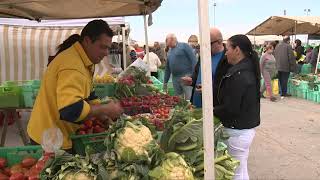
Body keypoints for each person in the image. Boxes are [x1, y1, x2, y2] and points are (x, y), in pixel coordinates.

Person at [27, 20, 124, 150]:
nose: (106, 53)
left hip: (56, 134)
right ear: (87, 41)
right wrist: (106, 109)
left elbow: (90, 96)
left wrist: (105, 119)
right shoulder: (72, 65)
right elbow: (71, 110)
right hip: (49, 139)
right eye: (102, 47)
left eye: (108, 47)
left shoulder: (85, 62)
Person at [214, 34, 260, 180]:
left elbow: (231, 108)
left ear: (237, 50)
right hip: (244, 130)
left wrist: (210, 111)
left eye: (227, 49)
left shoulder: (240, 74)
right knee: (240, 169)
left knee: (236, 173)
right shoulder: (245, 69)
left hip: (238, 131)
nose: (225, 52)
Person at [181, 28, 231, 108]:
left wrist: (209, 89)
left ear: (219, 42)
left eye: (208, 43)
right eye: (203, 43)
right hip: (196, 104)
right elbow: (197, 74)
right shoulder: (204, 55)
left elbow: (229, 87)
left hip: (213, 108)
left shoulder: (228, 58)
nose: (205, 46)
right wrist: (191, 80)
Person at [163, 33, 197, 100]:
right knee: (178, 99)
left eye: (168, 42)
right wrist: (165, 82)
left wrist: (193, 75)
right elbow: (167, 68)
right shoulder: (169, 51)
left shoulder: (184, 46)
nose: (168, 45)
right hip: (175, 79)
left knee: (189, 98)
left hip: (187, 76)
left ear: (173, 39)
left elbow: (194, 60)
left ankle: (191, 110)